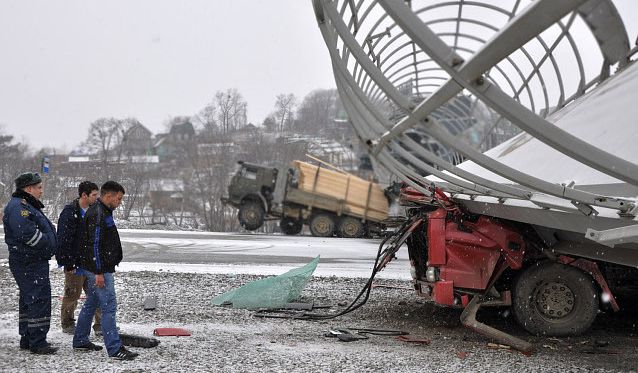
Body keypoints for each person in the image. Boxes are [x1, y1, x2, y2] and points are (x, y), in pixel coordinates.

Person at [73, 181, 138, 360]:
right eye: (119, 198)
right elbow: (94, 245)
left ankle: (80, 340)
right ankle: (115, 349)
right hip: (98, 269)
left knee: (92, 302)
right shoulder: (98, 213)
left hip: (95, 267)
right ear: (108, 195)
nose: (120, 202)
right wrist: (99, 272)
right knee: (109, 306)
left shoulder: (102, 211)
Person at [3, 172, 58, 354]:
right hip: (29, 261)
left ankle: (28, 337)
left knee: (29, 299)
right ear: (29, 188)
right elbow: (26, 234)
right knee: (38, 298)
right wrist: (47, 243)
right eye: (39, 187)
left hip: (31, 261)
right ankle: (37, 341)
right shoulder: (20, 206)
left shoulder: (25, 205)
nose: (42, 191)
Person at [57, 181, 102, 335]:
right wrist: (68, 262)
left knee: (97, 294)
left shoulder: (95, 211)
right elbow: (63, 239)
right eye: (94, 195)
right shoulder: (70, 212)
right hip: (75, 264)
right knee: (72, 294)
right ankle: (67, 323)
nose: (97, 198)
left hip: (91, 264)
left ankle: (100, 325)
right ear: (84, 195)